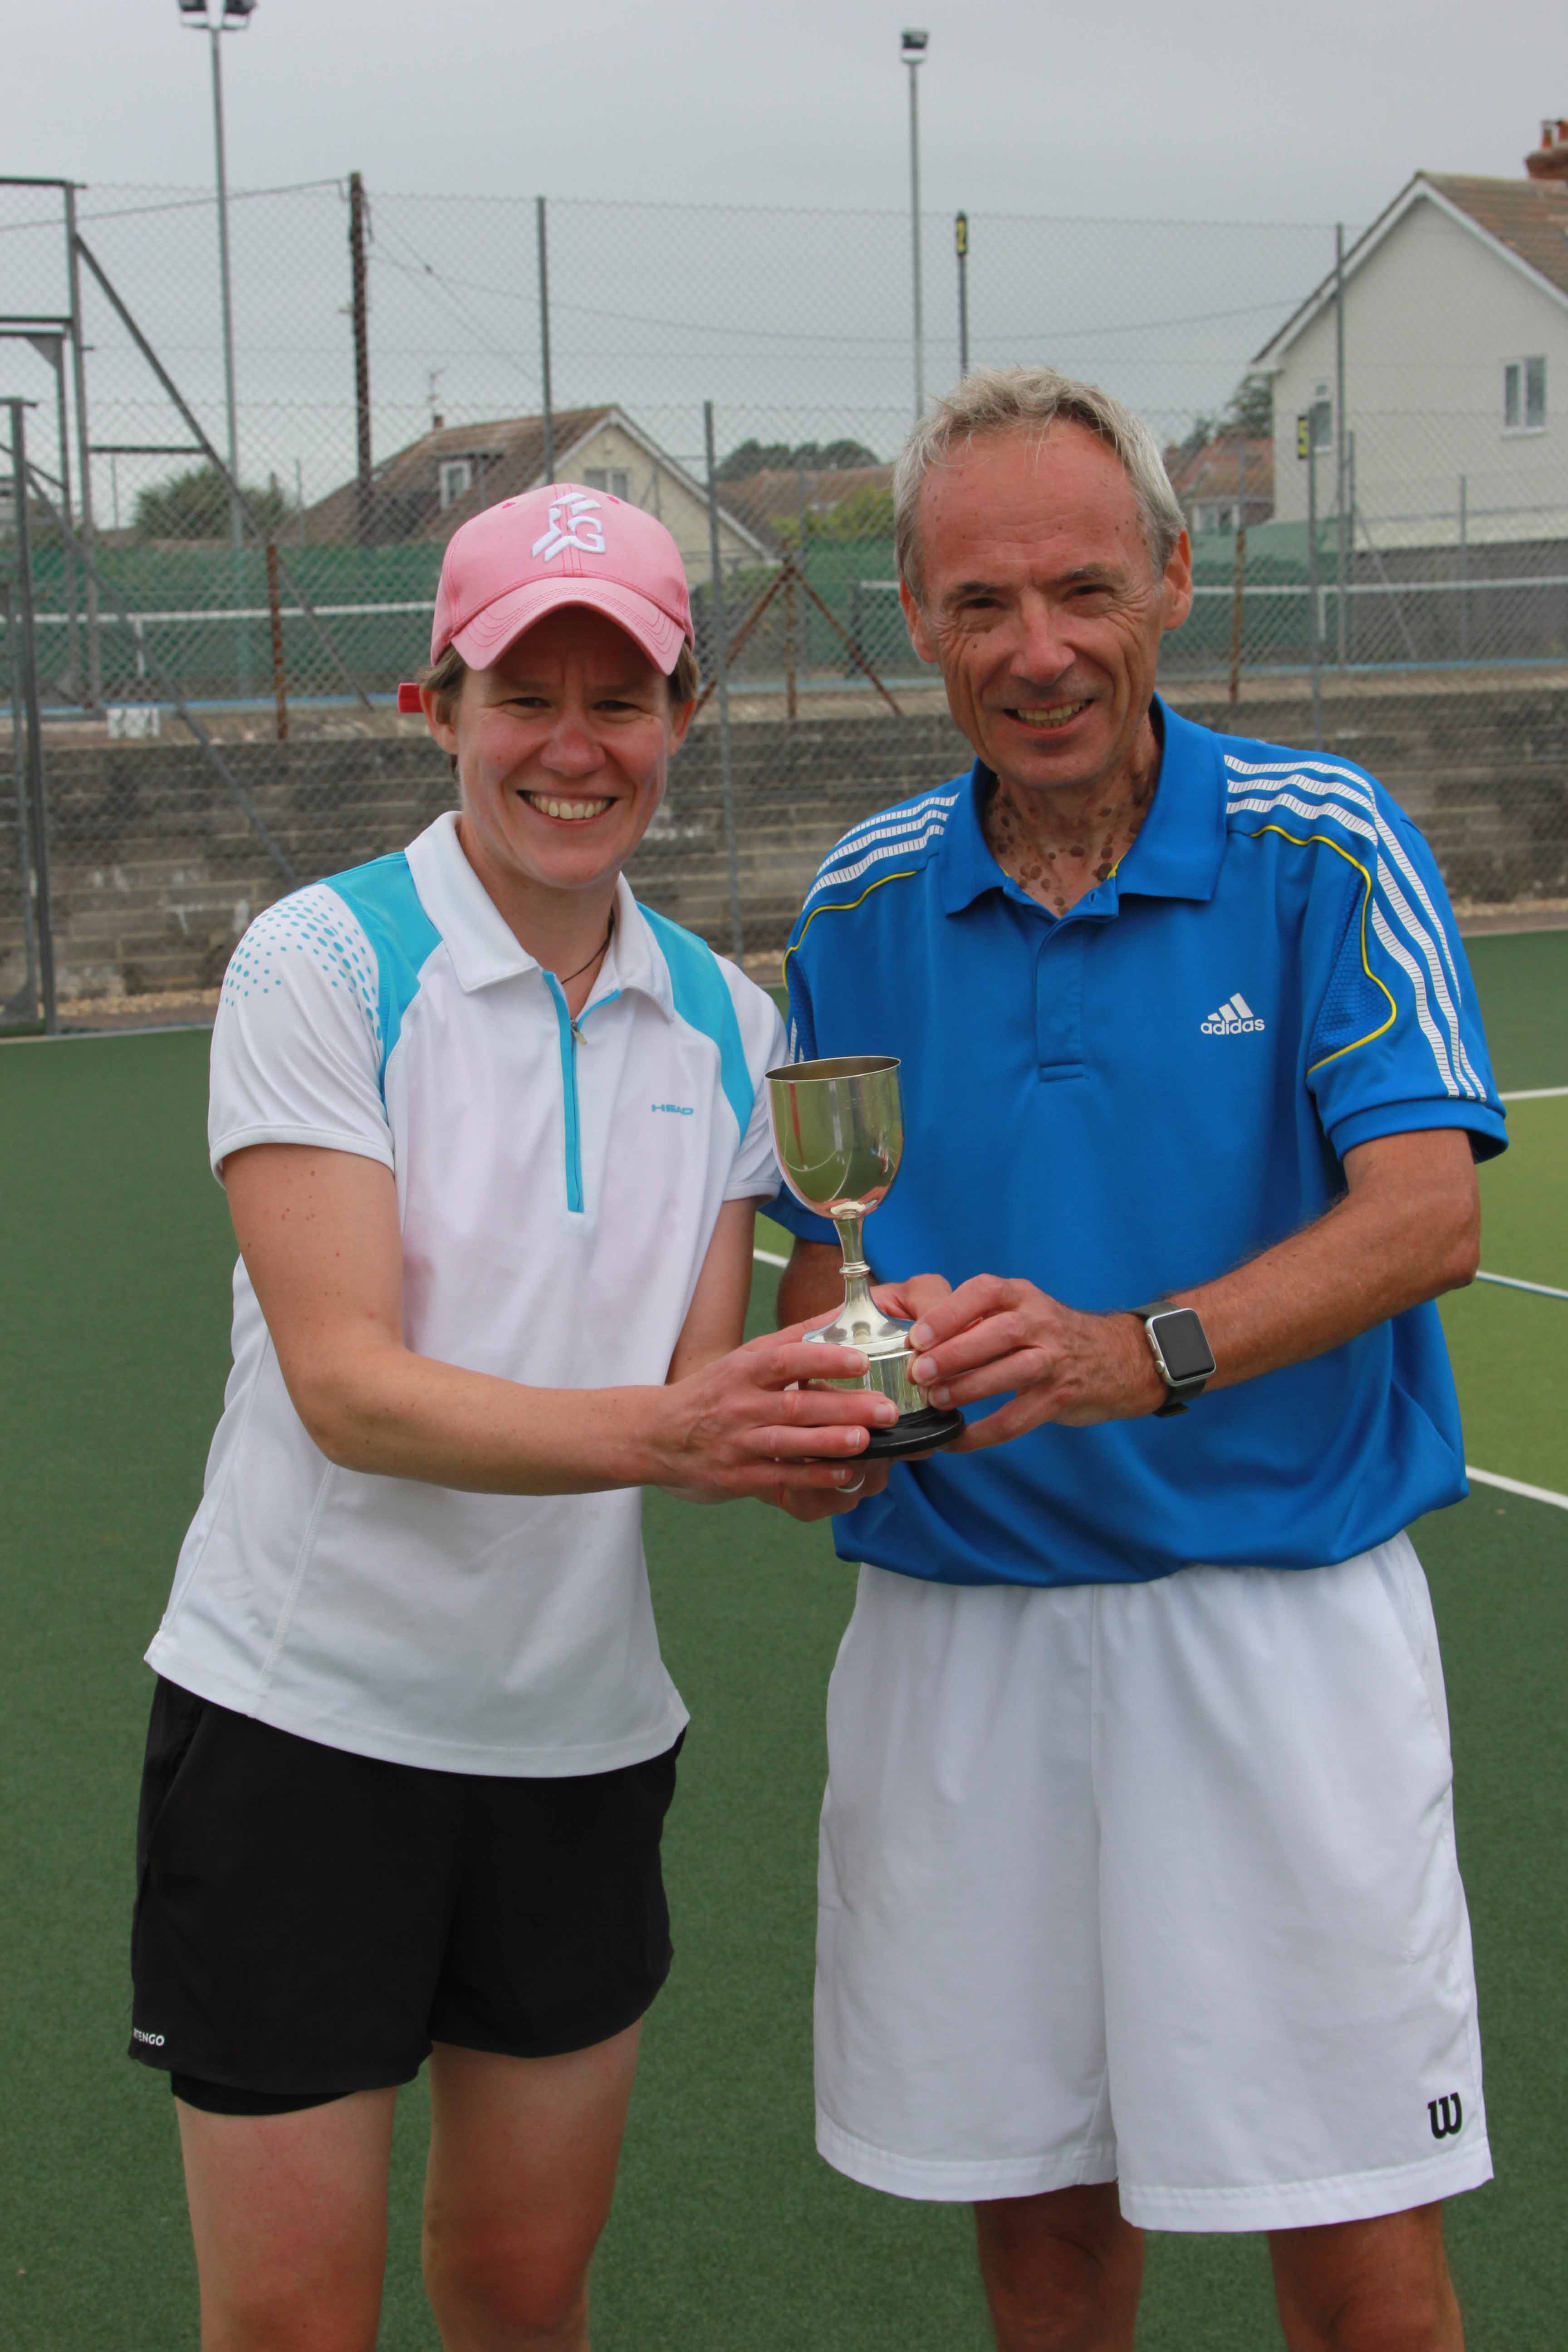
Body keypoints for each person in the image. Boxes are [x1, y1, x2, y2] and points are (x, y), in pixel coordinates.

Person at [771, 368, 1505, 2352]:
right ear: (914, 616)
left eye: (1085, 589)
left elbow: (1430, 1214)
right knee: (1047, 2235)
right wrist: (833, 1407)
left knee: (1353, 2248)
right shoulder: (856, 896)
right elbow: (812, 1272)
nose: (1041, 651)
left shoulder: (1320, 843)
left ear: (1174, 579)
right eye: (982, 604)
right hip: (967, 1641)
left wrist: (1133, 1352)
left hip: (1270, 1638)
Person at [129, 482, 892, 2352]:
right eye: (523, 697)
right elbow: (351, 1390)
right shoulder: (318, 964)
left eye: (618, 699)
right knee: (294, 2326)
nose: (574, 748)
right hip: (304, 1733)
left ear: (681, 721)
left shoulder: (730, 1019)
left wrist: (850, 1386)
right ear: (436, 709)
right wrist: (683, 1434)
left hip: (577, 1746)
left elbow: (707, 1374)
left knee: (519, 2294)